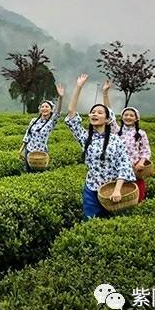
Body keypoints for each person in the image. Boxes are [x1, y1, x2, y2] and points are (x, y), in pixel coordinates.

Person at [65, 74, 136, 220]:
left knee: (112, 224)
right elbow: (71, 113)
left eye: (99, 112)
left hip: (112, 190)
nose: (94, 114)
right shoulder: (86, 138)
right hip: (91, 189)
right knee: (89, 221)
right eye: (92, 112)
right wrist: (79, 87)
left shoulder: (116, 140)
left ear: (107, 119)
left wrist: (117, 190)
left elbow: (124, 165)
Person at [103, 80, 151, 202]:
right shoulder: (117, 131)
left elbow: (145, 151)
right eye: (126, 115)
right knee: (118, 196)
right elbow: (109, 114)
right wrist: (105, 93)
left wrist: (141, 162)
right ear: (122, 117)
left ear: (136, 119)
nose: (128, 117)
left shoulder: (141, 133)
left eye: (131, 115)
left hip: (135, 169)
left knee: (136, 197)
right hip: (116, 169)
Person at [20, 84, 64, 172]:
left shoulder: (51, 123)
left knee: (39, 174)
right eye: (42, 107)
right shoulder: (33, 121)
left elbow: (58, 113)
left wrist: (61, 98)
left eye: (47, 107)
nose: (44, 108)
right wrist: (21, 150)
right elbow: (27, 136)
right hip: (29, 151)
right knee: (28, 172)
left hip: (41, 153)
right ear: (40, 109)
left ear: (51, 110)